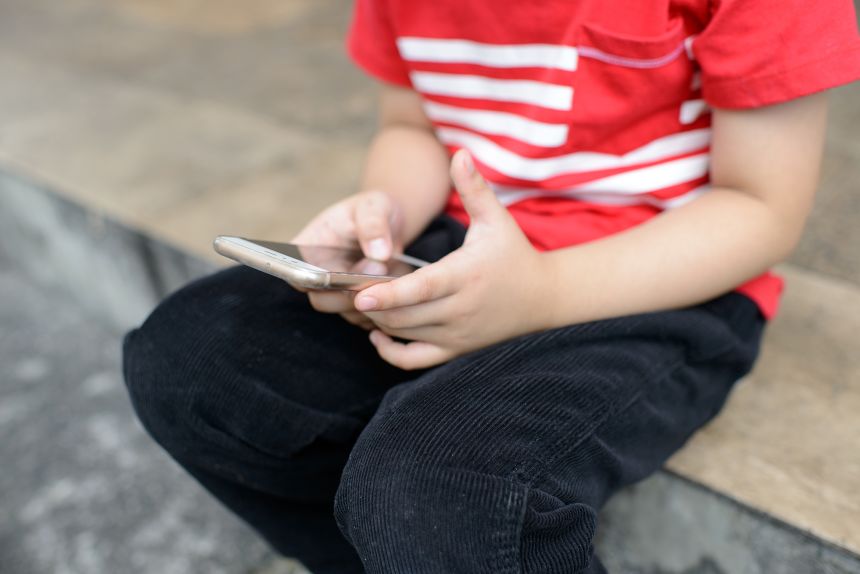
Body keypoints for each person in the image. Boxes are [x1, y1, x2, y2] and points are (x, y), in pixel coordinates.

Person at [122, 0, 860, 572]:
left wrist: (540, 294)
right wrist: (386, 216)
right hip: (467, 242)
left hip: (664, 279)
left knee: (434, 488)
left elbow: (761, 208)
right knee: (186, 365)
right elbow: (413, 127)